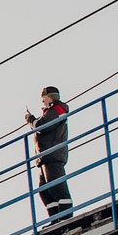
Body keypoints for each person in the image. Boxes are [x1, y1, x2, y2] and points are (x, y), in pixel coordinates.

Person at [25, 88, 72, 219]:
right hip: (45, 157)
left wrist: (30, 119)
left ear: (50, 98)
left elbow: (42, 126)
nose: (43, 102)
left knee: (57, 188)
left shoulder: (56, 110)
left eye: (44, 98)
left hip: (52, 154)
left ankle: (65, 218)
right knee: (45, 191)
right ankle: (55, 218)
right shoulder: (51, 112)